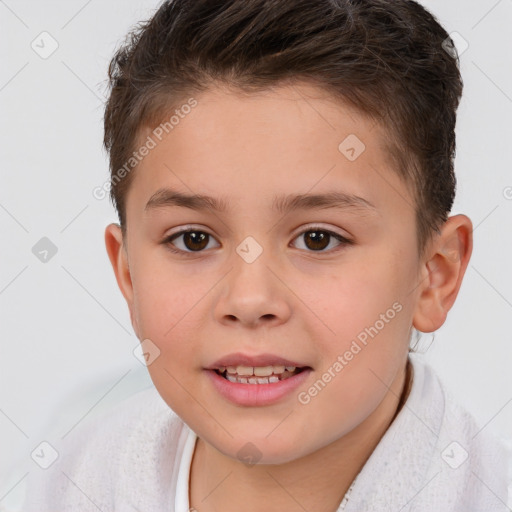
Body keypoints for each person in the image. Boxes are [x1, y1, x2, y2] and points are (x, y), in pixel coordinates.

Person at [23, 0, 511, 510]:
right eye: (193, 239)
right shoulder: (71, 478)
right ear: (128, 275)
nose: (250, 299)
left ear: (434, 275)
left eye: (318, 239)